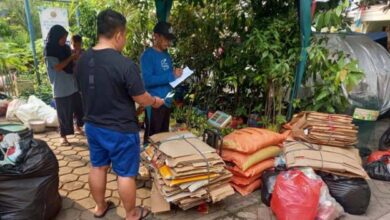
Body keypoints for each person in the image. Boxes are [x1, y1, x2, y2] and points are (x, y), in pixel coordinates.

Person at [76, 9, 163, 219]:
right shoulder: (124, 65)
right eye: (124, 36)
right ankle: (132, 214)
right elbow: (141, 97)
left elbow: (85, 90)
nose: (124, 40)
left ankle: (99, 207)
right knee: (125, 174)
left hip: (94, 126)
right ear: (118, 35)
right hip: (121, 130)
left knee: (98, 167)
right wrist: (154, 101)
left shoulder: (81, 61)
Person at [140, 21, 182, 144]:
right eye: (166, 38)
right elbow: (147, 81)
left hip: (167, 101)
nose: (168, 42)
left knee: (163, 137)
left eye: (170, 39)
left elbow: (168, 76)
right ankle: (147, 160)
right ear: (156, 36)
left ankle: (160, 161)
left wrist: (177, 75)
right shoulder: (147, 56)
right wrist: (171, 75)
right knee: (152, 138)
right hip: (154, 102)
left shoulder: (167, 55)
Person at [44, 25, 84, 146]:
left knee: (78, 108)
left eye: (65, 38)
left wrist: (76, 58)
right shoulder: (49, 50)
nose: (64, 41)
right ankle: (63, 136)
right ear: (56, 37)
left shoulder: (66, 48)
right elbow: (57, 67)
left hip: (72, 84)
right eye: (62, 38)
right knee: (63, 113)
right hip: (60, 86)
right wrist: (71, 57)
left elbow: (72, 63)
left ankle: (78, 126)